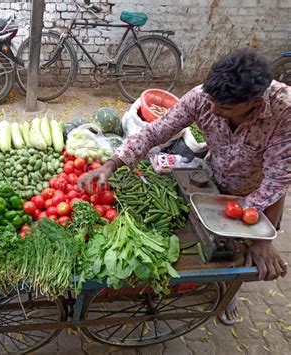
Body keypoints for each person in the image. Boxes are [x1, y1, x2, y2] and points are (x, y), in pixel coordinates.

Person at [78, 49, 290, 325]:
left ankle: (227, 292)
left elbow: (277, 180)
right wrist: (112, 164)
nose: (212, 110)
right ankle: (218, 280)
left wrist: (263, 238)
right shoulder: (203, 97)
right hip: (217, 175)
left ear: (254, 102)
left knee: (245, 254)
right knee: (215, 242)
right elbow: (157, 131)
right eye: (212, 101)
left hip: (259, 191)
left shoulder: (284, 111)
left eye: (224, 108)